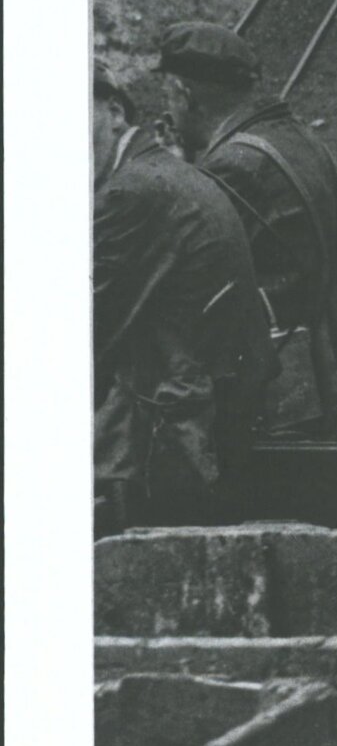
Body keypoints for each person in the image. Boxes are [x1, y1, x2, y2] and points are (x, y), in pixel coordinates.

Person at [156, 22, 337, 438]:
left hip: (275, 396)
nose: (169, 112)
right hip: (328, 370)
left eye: (168, 97)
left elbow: (190, 284)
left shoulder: (234, 166)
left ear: (185, 94)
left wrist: (173, 180)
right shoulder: (297, 138)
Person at [95, 59, 275, 537]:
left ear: (114, 111)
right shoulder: (162, 171)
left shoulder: (128, 192)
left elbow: (90, 328)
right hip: (223, 398)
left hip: (179, 425)